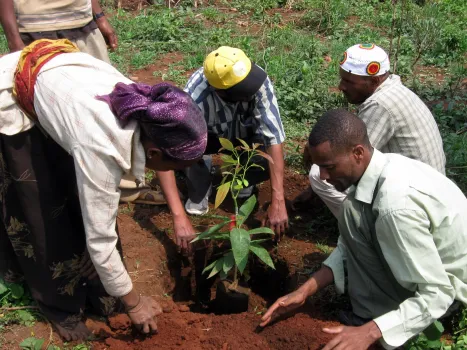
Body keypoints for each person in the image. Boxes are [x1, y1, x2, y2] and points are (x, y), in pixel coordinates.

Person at [0, 40, 207, 340]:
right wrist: (135, 304)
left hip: (64, 93)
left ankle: (105, 291)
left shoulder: (145, 111)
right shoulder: (102, 145)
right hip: (12, 95)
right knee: (40, 209)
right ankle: (60, 305)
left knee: (76, 192)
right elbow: (101, 239)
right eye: (177, 168)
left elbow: (103, 207)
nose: (176, 175)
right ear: (154, 154)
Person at [260, 109, 467, 350]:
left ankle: (381, 320)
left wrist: (369, 332)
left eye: (329, 167)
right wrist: (304, 292)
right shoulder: (380, 170)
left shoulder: (395, 207)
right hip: (436, 266)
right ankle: (379, 310)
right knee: (350, 210)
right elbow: (348, 247)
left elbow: (437, 293)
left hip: (451, 290)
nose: (323, 177)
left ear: (358, 153)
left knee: (352, 211)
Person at [294, 43, 446, 217]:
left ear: (374, 80)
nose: (341, 86)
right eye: (342, 79)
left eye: (349, 82)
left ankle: (363, 228)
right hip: (430, 189)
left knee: (318, 175)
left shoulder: (380, 105)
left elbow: (357, 160)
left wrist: (315, 184)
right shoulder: (392, 90)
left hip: (418, 203)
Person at [158, 46, 288, 239]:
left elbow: (274, 139)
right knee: (185, 148)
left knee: (269, 154)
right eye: (243, 90)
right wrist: (178, 216)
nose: (252, 91)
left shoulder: (256, 80)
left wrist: (279, 200)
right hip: (207, 138)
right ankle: (200, 175)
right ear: (220, 91)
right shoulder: (194, 98)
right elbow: (164, 151)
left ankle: (242, 177)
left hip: (248, 137)